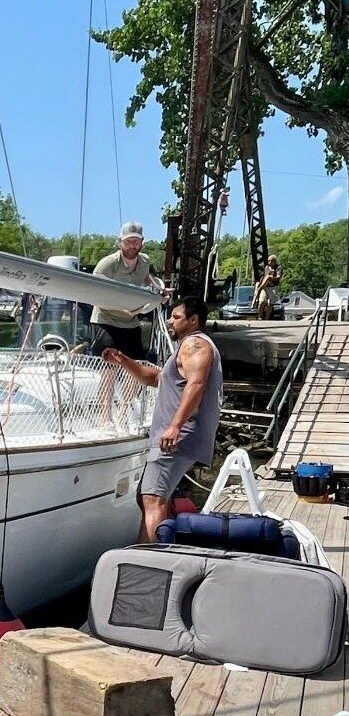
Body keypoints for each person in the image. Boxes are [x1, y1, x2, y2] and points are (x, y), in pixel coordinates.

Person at [102, 297, 223, 543]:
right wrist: (124, 361)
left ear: (193, 320)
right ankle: (159, 552)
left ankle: (147, 563)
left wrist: (175, 426)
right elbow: (156, 379)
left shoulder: (195, 345)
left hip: (176, 437)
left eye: (176, 317)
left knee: (152, 498)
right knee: (151, 498)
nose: (170, 321)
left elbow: (196, 384)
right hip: (174, 436)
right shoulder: (186, 347)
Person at [89, 222, 166, 360]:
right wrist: (120, 306)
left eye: (136, 241)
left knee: (134, 368)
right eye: (128, 241)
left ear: (142, 242)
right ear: (120, 243)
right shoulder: (108, 264)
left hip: (131, 323)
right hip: (107, 321)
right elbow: (93, 292)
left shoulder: (144, 261)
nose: (132, 245)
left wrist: (160, 290)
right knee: (108, 368)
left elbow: (146, 277)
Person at [253, 255, 282, 320]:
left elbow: (278, 278)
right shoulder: (266, 267)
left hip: (273, 286)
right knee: (262, 301)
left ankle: (267, 318)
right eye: (268, 261)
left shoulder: (278, 268)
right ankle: (259, 316)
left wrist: (270, 277)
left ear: (274, 261)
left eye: (271, 261)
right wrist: (259, 284)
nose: (269, 262)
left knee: (270, 303)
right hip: (265, 286)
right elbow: (263, 277)